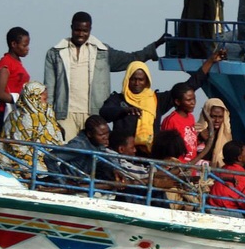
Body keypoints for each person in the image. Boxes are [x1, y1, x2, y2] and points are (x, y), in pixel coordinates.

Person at [41, 11, 166, 140]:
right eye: (77, 30)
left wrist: (155, 45)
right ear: (71, 27)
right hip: (65, 114)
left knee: (93, 155)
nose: (81, 34)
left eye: (85, 31)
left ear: (90, 29)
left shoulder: (102, 52)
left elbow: (130, 59)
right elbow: (49, 88)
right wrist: (48, 117)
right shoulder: (56, 53)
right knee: (65, 152)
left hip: (93, 114)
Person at [157, 49, 227, 163]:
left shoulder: (191, 118)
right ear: (178, 102)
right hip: (178, 169)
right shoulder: (171, 120)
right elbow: (165, 149)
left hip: (190, 168)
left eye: (194, 99)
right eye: (188, 100)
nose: (193, 102)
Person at [99, 61, 170, 154]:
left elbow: (186, 88)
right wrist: (124, 111)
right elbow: (104, 112)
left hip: (149, 155)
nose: (137, 83)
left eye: (141, 80)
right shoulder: (117, 99)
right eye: (133, 79)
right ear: (127, 79)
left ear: (147, 81)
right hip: (123, 155)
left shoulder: (157, 100)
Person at [0, 27, 30, 135]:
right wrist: (19, 100)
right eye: (24, 45)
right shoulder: (6, 63)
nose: (27, 48)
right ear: (14, 44)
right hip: (6, 112)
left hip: (17, 113)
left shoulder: (17, 62)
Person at [55, 115, 115, 183]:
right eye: (101, 135)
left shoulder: (98, 144)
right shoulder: (79, 145)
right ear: (90, 134)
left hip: (83, 183)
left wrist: (114, 170)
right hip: (68, 183)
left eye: (107, 133)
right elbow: (49, 157)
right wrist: (60, 180)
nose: (106, 137)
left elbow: (102, 161)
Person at [207, 140, 245, 213]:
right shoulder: (243, 176)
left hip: (211, 207)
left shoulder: (222, 170)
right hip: (227, 212)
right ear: (240, 158)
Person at [197, 97, 234, 169]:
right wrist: (199, 138)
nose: (217, 120)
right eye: (213, 116)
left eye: (220, 117)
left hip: (216, 175)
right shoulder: (195, 131)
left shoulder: (225, 135)